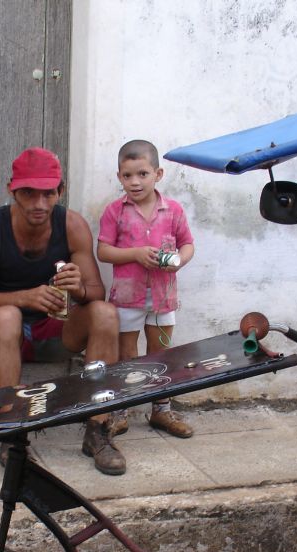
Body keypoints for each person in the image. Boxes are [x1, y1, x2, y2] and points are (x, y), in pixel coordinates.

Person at [0, 147, 125, 475]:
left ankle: (98, 429)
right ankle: (12, 432)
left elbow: (96, 293)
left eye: (47, 194)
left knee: (105, 313)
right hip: (2, 332)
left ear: (60, 191)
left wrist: (78, 287)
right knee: (8, 315)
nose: (39, 204)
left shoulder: (72, 224)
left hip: (53, 330)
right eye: (28, 194)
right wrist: (24, 298)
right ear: (12, 190)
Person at [96, 139, 195, 438]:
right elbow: (104, 251)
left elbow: (187, 244)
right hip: (128, 297)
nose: (135, 182)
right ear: (119, 177)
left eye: (142, 174)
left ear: (158, 174)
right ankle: (121, 410)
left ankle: (161, 409)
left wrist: (179, 261)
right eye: (127, 176)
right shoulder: (115, 212)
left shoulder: (173, 210)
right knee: (127, 353)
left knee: (160, 352)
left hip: (164, 297)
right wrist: (136, 254)